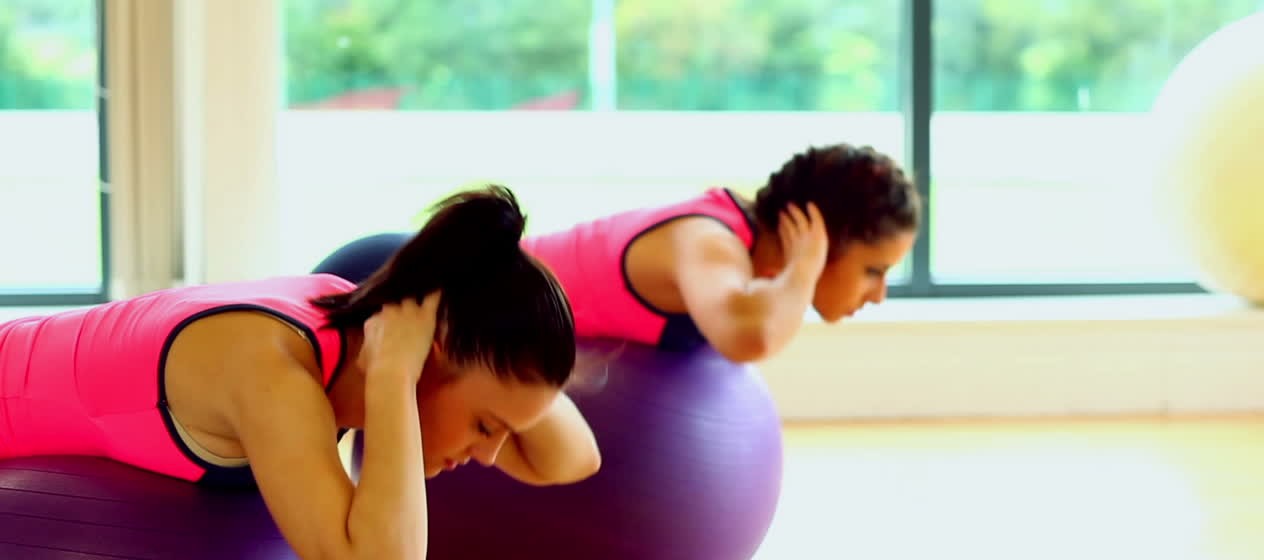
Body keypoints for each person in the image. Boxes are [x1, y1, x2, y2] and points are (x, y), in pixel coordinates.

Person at [0, 185, 601, 560]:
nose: (493, 454)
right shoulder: (272, 373)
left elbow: (568, 462)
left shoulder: (357, 317)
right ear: (427, 352)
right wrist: (393, 380)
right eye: (484, 425)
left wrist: (504, 335)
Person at [316, 143, 920, 362]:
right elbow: (749, 337)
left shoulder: (738, 253)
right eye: (873, 269)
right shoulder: (709, 243)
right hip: (396, 284)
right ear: (819, 236)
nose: (879, 292)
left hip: (443, 309)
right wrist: (804, 268)